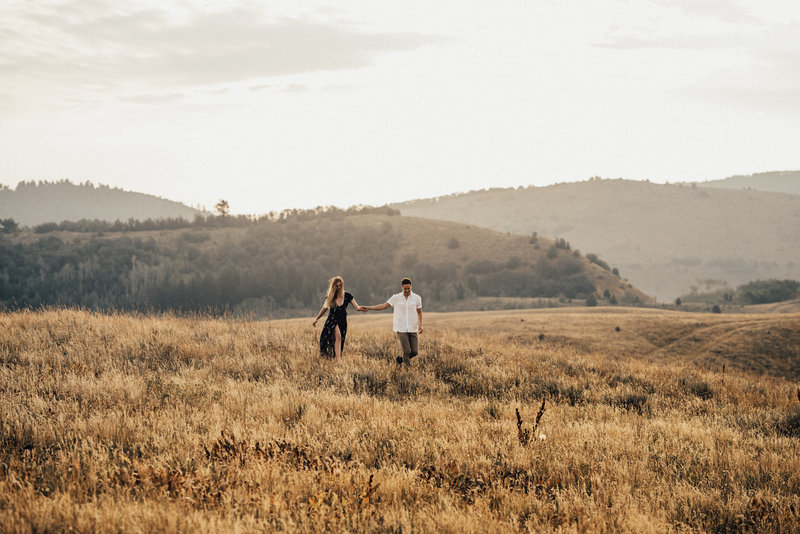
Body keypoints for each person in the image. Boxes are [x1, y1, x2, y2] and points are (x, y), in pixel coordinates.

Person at [361, 277, 423, 364]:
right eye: (405, 289)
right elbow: (384, 306)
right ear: (402, 287)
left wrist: (420, 325)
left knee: (415, 352)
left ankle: (400, 360)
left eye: (408, 289)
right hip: (401, 328)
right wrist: (369, 308)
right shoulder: (396, 297)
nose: (407, 290)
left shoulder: (417, 298)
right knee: (407, 351)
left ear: (411, 287)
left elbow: (419, 312)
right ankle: (407, 369)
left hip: (413, 327)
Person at [312, 276, 365, 358]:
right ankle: (338, 360)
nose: (339, 287)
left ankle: (335, 358)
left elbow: (357, 307)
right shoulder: (331, 296)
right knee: (338, 336)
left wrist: (364, 308)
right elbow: (325, 308)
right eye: (336, 286)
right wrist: (317, 319)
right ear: (334, 286)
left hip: (342, 321)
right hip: (332, 320)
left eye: (340, 285)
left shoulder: (348, 296)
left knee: (340, 339)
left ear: (342, 285)